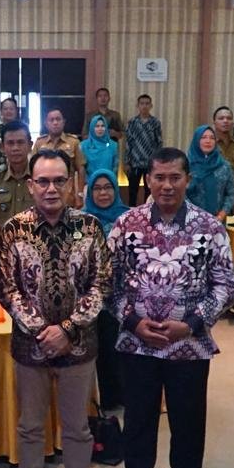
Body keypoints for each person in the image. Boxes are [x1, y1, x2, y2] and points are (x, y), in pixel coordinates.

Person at [109, 147, 234, 468]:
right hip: (137, 344)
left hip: (189, 347)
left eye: (174, 178)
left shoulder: (209, 227)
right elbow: (107, 283)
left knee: (188, 423)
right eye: (159, 177)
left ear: (187, 179)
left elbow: (225, 285)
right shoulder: (126, 223)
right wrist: (132, 321)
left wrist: (192, 324)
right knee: (138, 419)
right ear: (148, 179)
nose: (167, 185)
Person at [0, 149, 111, 468]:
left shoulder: (90, 226)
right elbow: (8, 289)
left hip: (79, 347)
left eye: (59, 180)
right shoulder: (15, 229)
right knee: (30, 426)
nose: (51, 188)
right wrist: (42, 332)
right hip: (30, 349)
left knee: (77, 427)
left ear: (71, 183)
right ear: (30, 185)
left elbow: (101, 285)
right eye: (43, 181)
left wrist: (67, 329)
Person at [84, 168, 130, 410]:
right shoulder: (81, 221)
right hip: (95, 297)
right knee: (104, 348)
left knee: (126, 347)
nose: (103, 193)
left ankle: (129, 395)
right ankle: (109, 399)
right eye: (98, 188)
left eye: (108, 187)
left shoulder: (130, 218)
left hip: (126, 294)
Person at [33, 108, 86, 207]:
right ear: (46, 123)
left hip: (67, 196)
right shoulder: (39, 143)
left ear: (63, 122)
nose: (55, 122)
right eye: (51, 120)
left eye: (58, 119)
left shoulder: (74, 142)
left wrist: (80, 194)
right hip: (44, 195)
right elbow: (32, 170)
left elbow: (81, 169)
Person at [186, 124, 234, 221]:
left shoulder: (224, 166)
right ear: (196, 140)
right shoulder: (186, 165)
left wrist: (222, 215)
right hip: (191, 221)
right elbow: (181, 194)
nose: (208, 141)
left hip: (218, 220)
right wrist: (196, 216)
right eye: (203, 137)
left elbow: (231, 193)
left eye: (212, 138)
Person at [124, 94, 163, 205]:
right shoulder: (132, 122)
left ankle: (148, 212)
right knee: (132, 192)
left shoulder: (155, 123)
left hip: (150, 163)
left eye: (147, 103)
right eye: (142, 103)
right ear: (138, 106)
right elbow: (128, 143)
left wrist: (158, 162)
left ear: (151, 106)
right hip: (134, 163)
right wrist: (127, 162)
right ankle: (132, 212)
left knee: (149, 191)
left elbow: (159, 143)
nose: (144, 106)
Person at [80, 114, 119, 179]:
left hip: (108, 181)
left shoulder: (113, 145)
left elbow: (115, 167)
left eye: (102, 126)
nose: (100, 129)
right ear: (92, 128)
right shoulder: (83, 146)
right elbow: (82, 169)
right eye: (97, 126)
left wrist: (110, 181)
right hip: (89, 182)